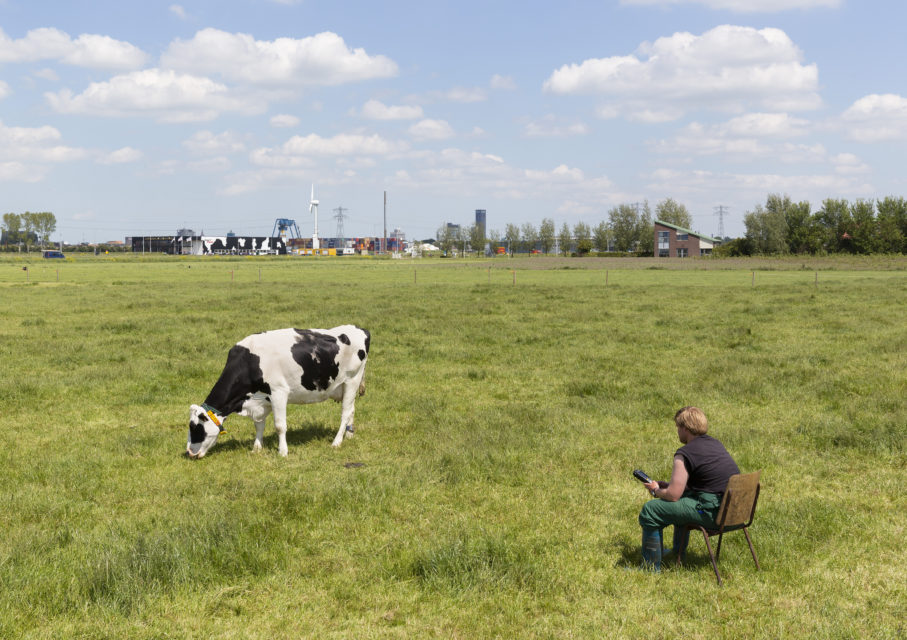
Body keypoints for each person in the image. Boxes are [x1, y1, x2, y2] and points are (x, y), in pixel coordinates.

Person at [638, 406, 740, 571]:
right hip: (735, 512)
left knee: (651, 510)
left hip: (714, 516)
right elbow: (706, 481)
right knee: (686, 501)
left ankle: (649, 567)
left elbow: (673, 496)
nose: (677, 431)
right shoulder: (716, 444)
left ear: (685, 428)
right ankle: (677, 553)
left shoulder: (684, 453)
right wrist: (668, 485)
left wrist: (655, 491)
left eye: (678, 427)